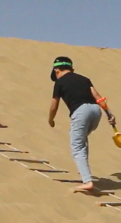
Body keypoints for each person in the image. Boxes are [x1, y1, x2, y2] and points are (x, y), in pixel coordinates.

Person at [48, 57, 116, 192]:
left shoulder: (59, 82)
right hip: (95, 111)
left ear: (56, 69)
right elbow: (98, 96)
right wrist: (109, 113)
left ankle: (87, 181)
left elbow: (54, 106)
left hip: (81, 111)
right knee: (81, 140)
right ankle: (83, 169)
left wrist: (51, 119)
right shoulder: (84, 79)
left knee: (77, 146)